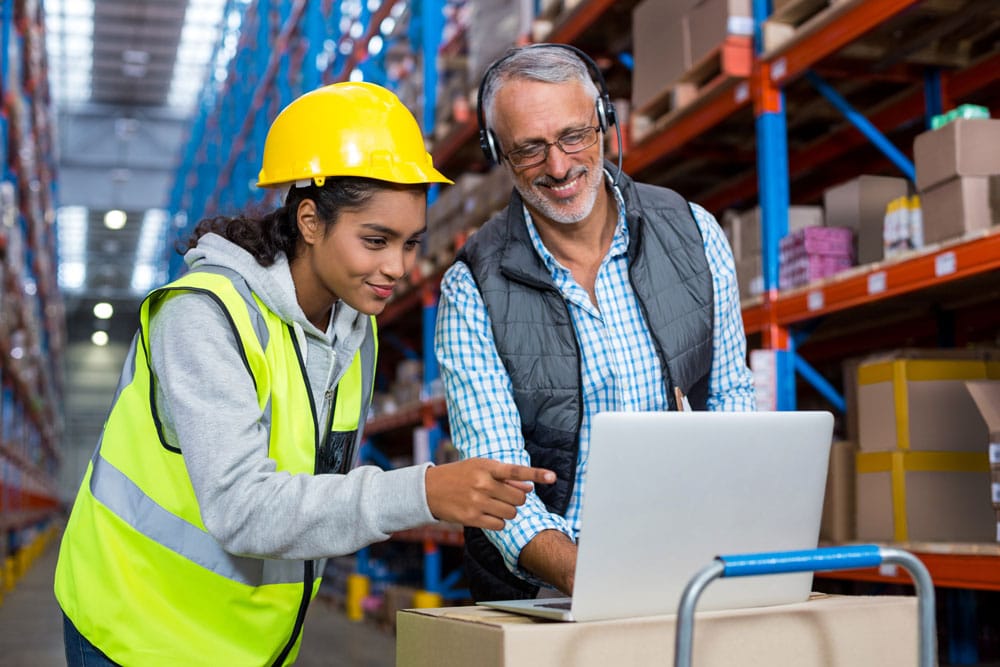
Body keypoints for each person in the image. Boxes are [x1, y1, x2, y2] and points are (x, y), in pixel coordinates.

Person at [54, 81, 555, 666]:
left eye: (411, 243)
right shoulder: (204, 314)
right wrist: (423, 491)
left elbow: (309, 488)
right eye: (375, 240)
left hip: (250, 642)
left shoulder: (354, 329)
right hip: (134, 629)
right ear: (311, 221)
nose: (396, 267)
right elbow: (243, 509)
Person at [434, 44, 756, 603]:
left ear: (606, 122)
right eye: (529, 150)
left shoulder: (694, 234)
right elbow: (497, 486)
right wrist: (593, 578)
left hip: (690, 567)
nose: (558, 167)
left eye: (573, 136)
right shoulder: (473, 289)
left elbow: (731, 396)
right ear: (499, 155)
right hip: (545, 590)